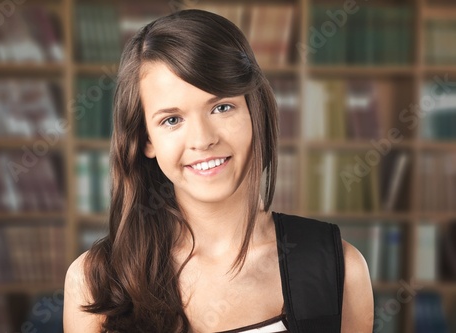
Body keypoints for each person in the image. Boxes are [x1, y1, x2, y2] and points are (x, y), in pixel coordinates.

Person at [64, 9, 373, 333]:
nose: (203, 139)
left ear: (255, 110)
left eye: (222, 107)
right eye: (172, 119)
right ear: (146, 140)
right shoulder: (93, 283)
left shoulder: (340, 269)